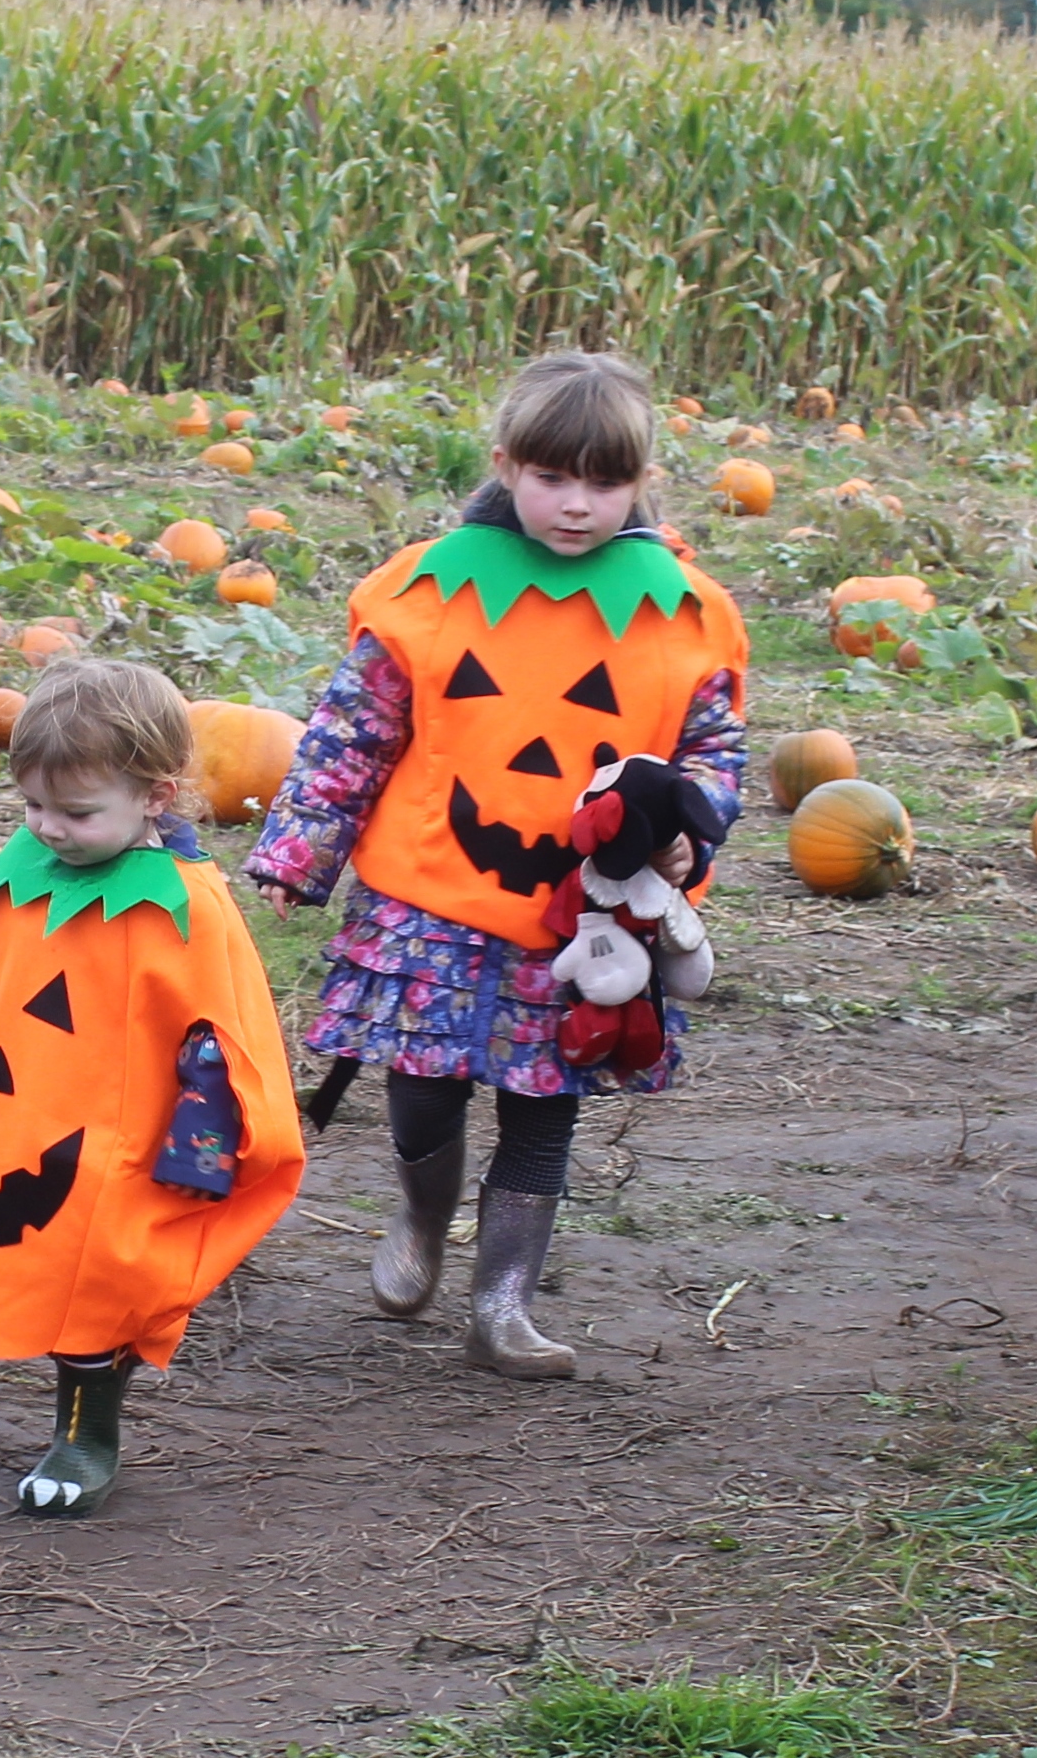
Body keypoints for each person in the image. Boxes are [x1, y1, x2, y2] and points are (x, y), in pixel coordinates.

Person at [245, 352, 748, 1379]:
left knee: (543, 1101)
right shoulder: (431, 594)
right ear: (505, 465)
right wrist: (302, 850)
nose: (575, 506)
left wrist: (690, 828)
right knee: (423, 1088)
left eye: (604, 483)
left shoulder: (682, 617)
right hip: (428, 895)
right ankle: (423, 1220)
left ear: (641, 478)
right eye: (551, 478)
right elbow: (353, 733)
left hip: (582, 917)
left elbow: (712, 752)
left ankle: (503, 1302)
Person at [0, 656, 305, 1514]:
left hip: (128, 1135)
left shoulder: (184, 906)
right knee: (44, 1263)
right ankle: (87, 1396)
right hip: (17, 1120)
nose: (48, 827)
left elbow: (219, 1032)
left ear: (156, 796)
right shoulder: (14, 880)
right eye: (32, 805)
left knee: (101, 1284)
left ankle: (87, 1431)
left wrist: (201, 1146)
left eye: (77, 811)